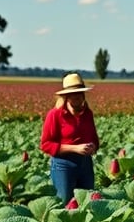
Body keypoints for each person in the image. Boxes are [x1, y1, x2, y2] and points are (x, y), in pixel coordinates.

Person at [40, 73, 100, 201]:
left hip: (85, 164)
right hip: (63, 165)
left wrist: (93, 147)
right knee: (65, 202)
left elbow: (94, 139)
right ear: (66, 96)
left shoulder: (87, 114)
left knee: (87, 202)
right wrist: (74, 149)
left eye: (79, 93)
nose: (77, 97)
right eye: (73, 94)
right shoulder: (55, 115)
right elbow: (46, 145)